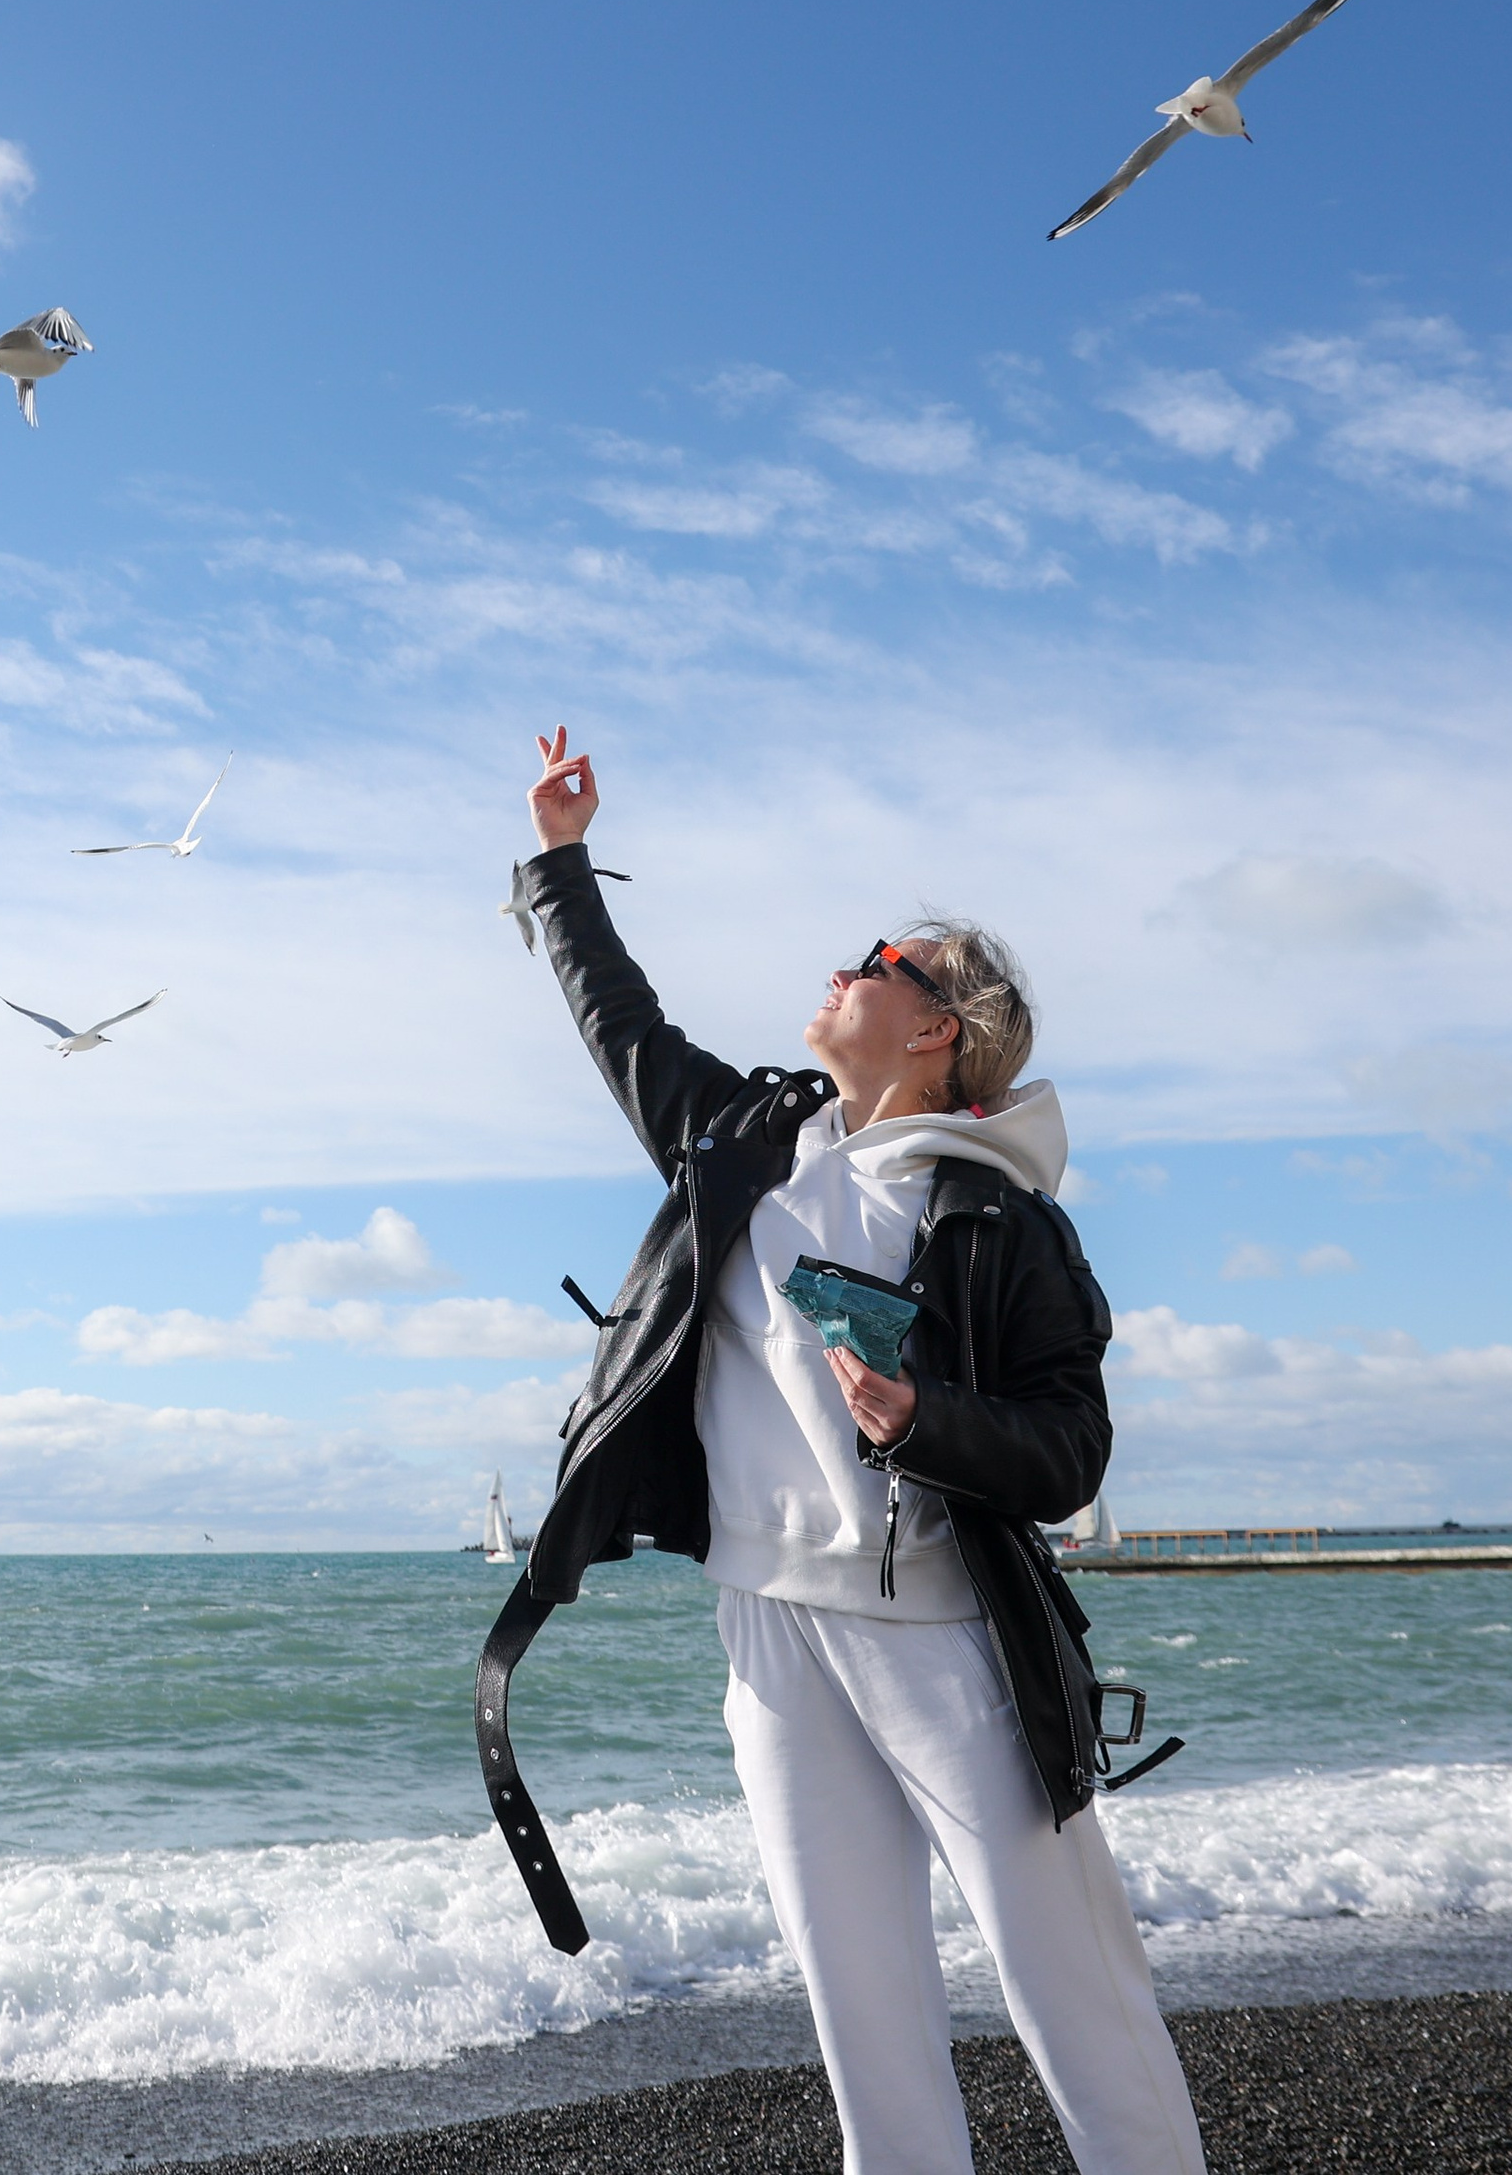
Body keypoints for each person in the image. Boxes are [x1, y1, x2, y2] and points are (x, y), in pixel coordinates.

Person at [500, 725, 1205, 2175]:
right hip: (769, 1632)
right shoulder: (749, 1142)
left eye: (882, 957)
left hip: (948, 1638)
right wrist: (562, 861)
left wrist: (922, 1421)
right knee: (862, 2022)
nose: (848, 962)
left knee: (1072, 1991)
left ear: (938, 1025)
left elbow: (1071, 1446)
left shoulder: (998, 1215)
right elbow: (619, 1024)